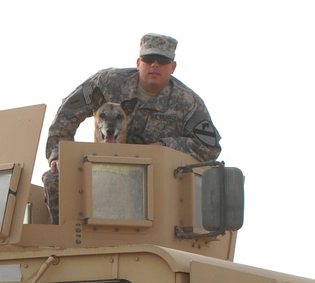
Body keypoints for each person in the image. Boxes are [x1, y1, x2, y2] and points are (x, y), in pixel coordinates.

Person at [42, 33, 221, 222]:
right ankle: (63, 238)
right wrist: (58, 154)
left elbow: (210, 147)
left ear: (173, 66)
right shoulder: (106, 82)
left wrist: (165, 146)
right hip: (100, 167)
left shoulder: (188, 103)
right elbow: (67, 114)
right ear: (138, 62)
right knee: (54, 179)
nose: (154, 65)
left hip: (151, 181)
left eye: (162, 60)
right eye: (148, 59)